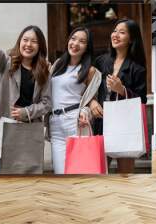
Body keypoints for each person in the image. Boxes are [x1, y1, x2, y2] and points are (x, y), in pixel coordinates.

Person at [0, 16, 52, 174]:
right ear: (19, 41)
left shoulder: (45, 72)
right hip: (6, 127)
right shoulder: (7, 63)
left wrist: (26, 112)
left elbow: (47, 103)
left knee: (27, 173)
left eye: (33, 41)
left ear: (40, 45)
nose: (28, 44)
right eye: (25, 39)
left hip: (30, 129)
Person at [89, 18, 147, 173]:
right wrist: (92, 102)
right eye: (115, 31)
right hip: (101, 122)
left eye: (122, 32)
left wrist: (122, 90)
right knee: (98, 172)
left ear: (131, 39)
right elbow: (88, 87)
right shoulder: (101, 61)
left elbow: (142, 100)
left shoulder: (137, 68)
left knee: (125, 175)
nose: (115, 35)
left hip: (124, 125)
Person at [47, 27, 101, 174]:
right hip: (55, 123)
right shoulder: (58, 64)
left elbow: (90, 98)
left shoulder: (90, 71)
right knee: (60, 171)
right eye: (73, 38)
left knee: (78, 171)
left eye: (82, 41)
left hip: (75, 121)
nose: (76, 43)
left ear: (87, 47)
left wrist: (86, 111)